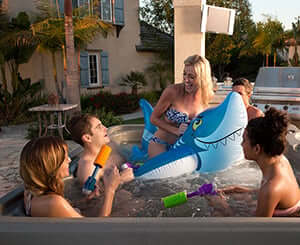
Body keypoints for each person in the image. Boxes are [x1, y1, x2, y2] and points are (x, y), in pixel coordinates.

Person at [218, 108, 300, 217]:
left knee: (217, 213)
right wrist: (245, 191)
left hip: (285, 229)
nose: (241, 145)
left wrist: (221, 206)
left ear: (257, 149)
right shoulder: (279, 160)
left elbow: (256, 231)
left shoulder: (272, 187)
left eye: (244, 141)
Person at [20, 136, 121, 217]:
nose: (69, 160)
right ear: (51, 167)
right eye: (64, 158)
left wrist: (84, 201)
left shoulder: (30, 191)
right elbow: (96, 231)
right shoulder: (54, 202)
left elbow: (59, 213)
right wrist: (110, 190)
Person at [148, 55, 215, 158]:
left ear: (202, 78)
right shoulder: (173, 91)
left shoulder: (206, 97)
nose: (186, 80)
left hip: (185, 149)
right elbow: (153, 118)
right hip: (161, 143)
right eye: (185, 74)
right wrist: (176, 130)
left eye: (191, 77)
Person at [68, 114, 133, 186]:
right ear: (87, 138)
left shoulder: (110, 145)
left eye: (102, 125)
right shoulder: (88, 169)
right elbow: (96, 196)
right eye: (99, 127)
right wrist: (121, 180)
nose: (106, 128)